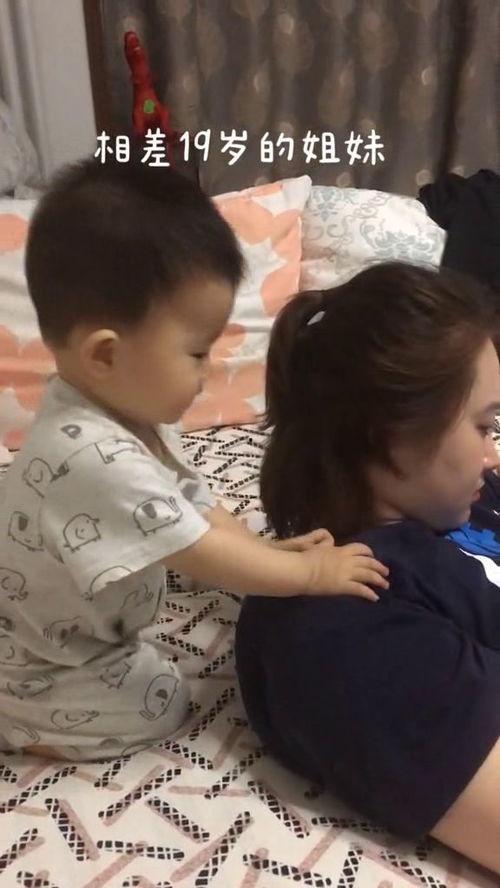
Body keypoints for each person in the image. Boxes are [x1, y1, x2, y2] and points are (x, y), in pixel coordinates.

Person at [0, 157, 389, 763]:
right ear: (106, 355)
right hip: (43, 662)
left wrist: (262, 555)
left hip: (70, 618)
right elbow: (200, 550)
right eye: (198, 353)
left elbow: (194, 504)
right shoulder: (90, 455)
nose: (210, 372)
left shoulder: (123, 411)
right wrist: (310, 576)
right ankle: (24, 726)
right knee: (162, 701)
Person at [235, 261, 500, 875]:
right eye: (484, 425)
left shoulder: (452, 496)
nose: (491, 454)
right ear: (387, 434)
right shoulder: (340, 625)